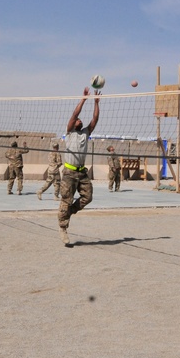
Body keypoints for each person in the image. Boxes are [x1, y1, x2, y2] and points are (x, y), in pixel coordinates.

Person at [58, 87, 100, 246]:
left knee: (88, 197)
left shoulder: (85, 133)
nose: (79, 120)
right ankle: (63, 227)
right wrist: (84, 99)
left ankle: (70, 211)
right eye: (77, 120)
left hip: (82, 172)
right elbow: (74, 114)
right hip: (69, 172)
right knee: (66, 199)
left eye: (80, 120)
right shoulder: (69, 132)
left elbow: (95, 120)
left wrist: (96, 103)